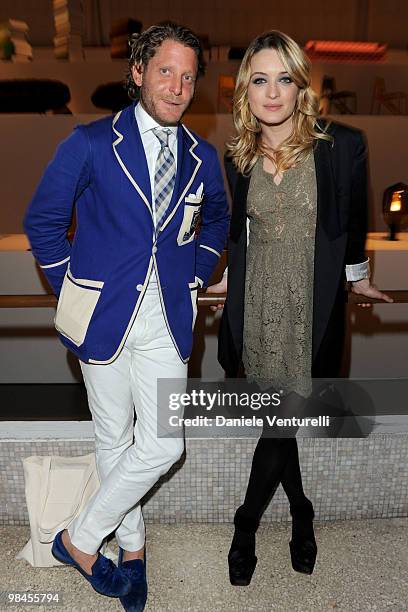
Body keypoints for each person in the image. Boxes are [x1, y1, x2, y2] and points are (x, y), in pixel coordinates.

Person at [24, 22, 229, 610]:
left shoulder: (201, 156)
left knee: (163, 444)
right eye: (165, 70)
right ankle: (132, 554)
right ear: (137, 73)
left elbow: (215, 220)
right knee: (114, 439)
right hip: (101, 318)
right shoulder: (90, 142)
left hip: (167, 317)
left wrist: (200, 270)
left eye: (188, 76)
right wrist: (74, 288)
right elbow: (43, 222)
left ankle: (79, 540)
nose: (177, 86)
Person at [207, 30, 392, 586]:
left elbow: (353, 224)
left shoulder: (341, 146)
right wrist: (217, 284)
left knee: (279, 425)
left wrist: (356, 278)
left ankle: (245, 527)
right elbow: (239, 238)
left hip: (309, 307)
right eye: (259, 80)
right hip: (259, 301)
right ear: (246, 90)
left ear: (299, 86)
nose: (271, 92)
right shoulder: (236, 155)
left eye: (283, 79)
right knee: (278, 424)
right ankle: (301, 513)